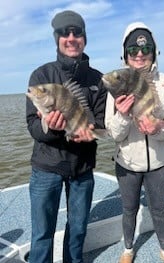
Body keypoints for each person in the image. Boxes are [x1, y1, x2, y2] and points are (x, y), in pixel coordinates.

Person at [26, 10, 106, 263]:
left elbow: (102, 123)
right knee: (42, 234)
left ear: (84, 37)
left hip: (82, 169)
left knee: (78, 230)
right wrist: (52, 128)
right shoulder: (41, 77)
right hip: (46, 168)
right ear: (56, 38)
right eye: (65, 32)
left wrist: (90, 135)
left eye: (77, 32)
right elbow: (33, 127)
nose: (71, 38)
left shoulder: (97, 79)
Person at [105, 22, 164, 263]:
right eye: (133, 50)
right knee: (129, 210)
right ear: (125, 54)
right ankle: (128, 249)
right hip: (127, 164)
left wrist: (159, 126)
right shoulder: (117, 84)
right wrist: (123, 115)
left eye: (145, 48)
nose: (139, 54)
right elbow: (113, 133)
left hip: (159, 163)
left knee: (158, 210)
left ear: (153, 51)